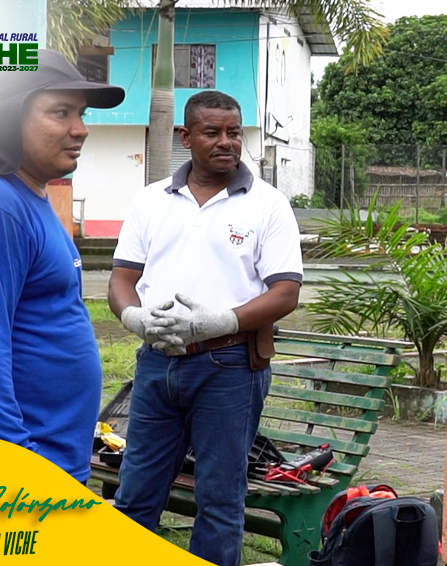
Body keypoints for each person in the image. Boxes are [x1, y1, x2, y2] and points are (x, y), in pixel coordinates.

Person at [108, 90, 303, 565]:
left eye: (234, 132)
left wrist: (221, 321)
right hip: (158, 364)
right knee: (136, 493)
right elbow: (122, 279)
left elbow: (285, 292)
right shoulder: (152, 200)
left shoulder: (268, 204)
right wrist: (134, 317)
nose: (226, 142)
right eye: (212, 132)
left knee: (218, 500)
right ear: (185, 136)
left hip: (229, 366)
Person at [0, 50, 125, 483]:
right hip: (12, 475)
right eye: (61, 112)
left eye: (81, 113)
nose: (81, 129)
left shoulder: (25, 196)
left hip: (47, 461)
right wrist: (21, 475)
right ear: (9, 118)